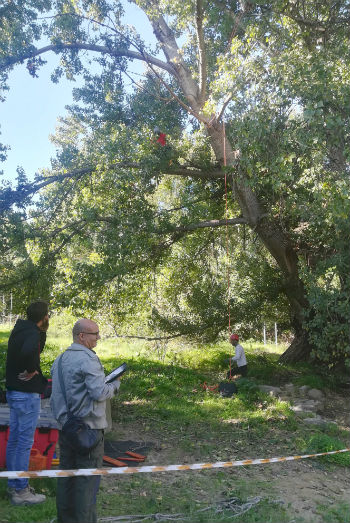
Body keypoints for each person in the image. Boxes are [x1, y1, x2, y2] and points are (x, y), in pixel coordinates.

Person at [50, 318, 121, 523]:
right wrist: (115, 384)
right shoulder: (89, 359)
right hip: (89, 430)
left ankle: (65, 519)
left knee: (67, 478)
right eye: (95, 333)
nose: (98, 337)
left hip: (66, 429)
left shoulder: (60, 359)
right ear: (81, 336)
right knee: (86, 483)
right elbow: (99, 393)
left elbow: (56, 396)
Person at [5, 300, 49, 505]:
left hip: (14, 391)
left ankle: (13, 484)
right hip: (26, 394)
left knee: (14, 440)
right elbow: (29, 351)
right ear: (44, 317)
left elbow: (27, 349)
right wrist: (32, 369)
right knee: (24, 443)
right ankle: (21, 490)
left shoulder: (19, 329)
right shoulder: (32, 333)